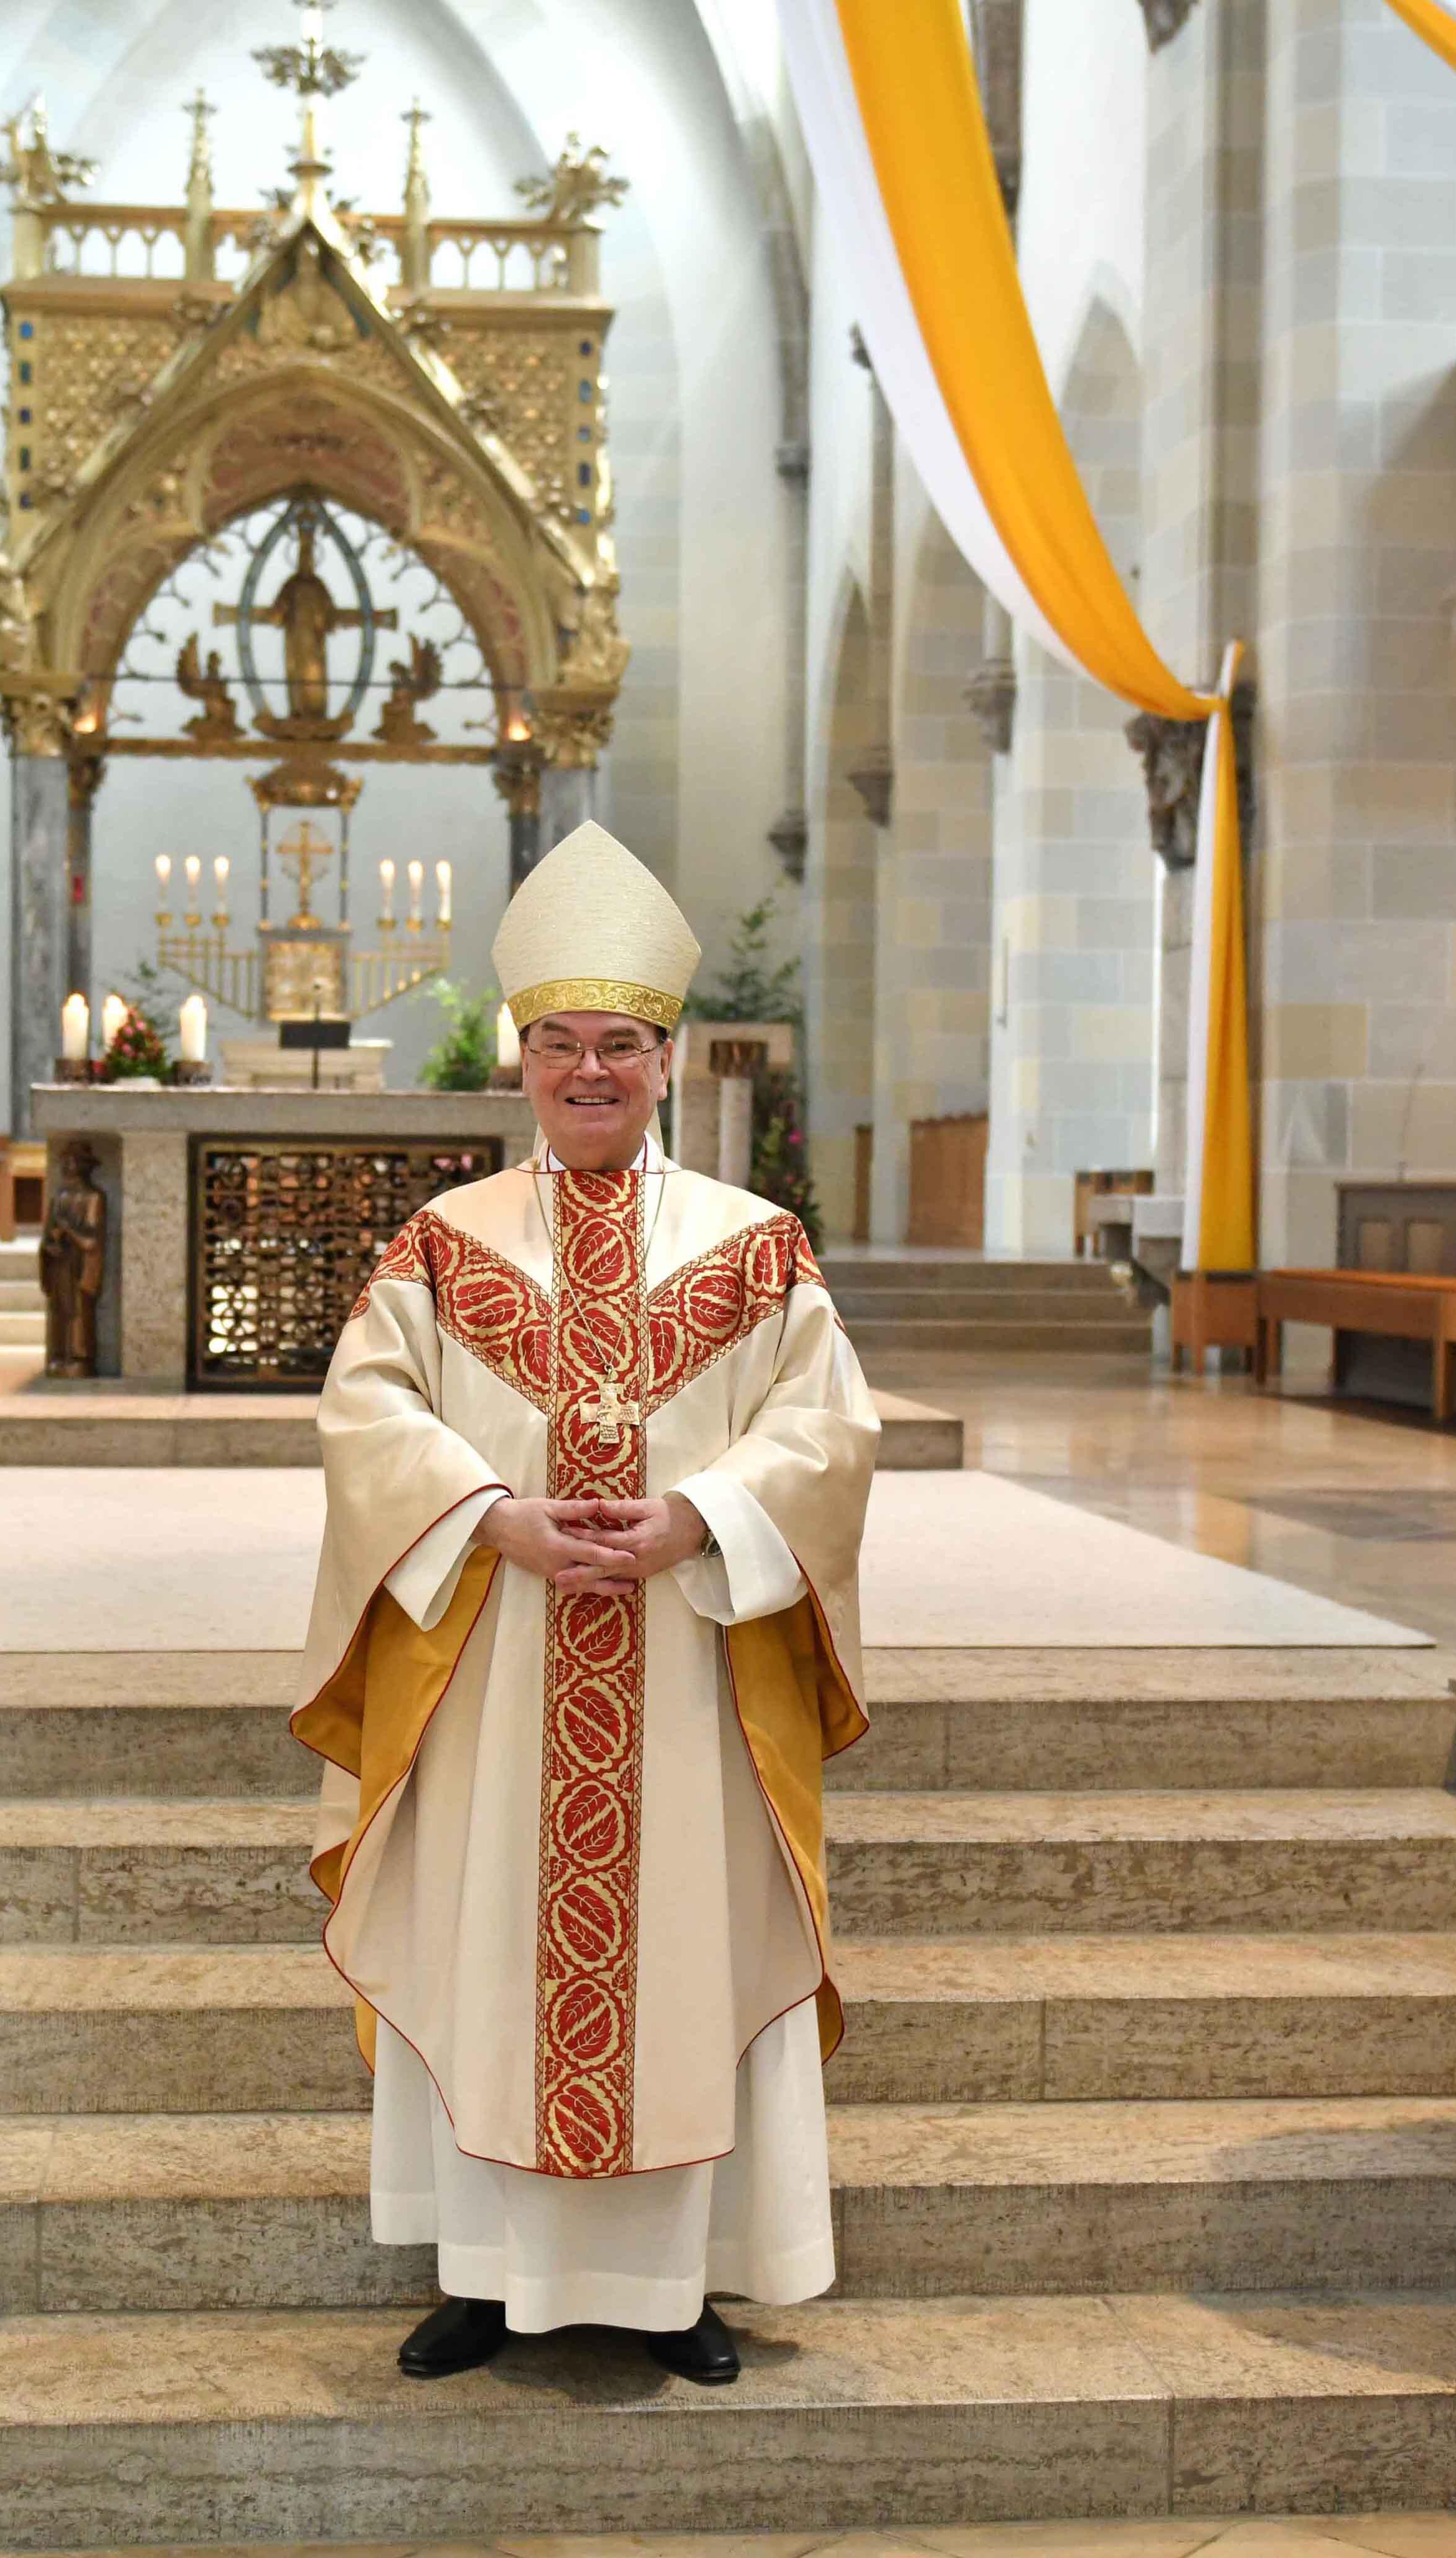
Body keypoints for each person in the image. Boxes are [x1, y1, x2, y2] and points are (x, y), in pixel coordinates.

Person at [294, 821, 876, 2385]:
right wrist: (492, 1519)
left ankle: (673, 2282)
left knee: (686, 1957)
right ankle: (488, 2275)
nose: (589, 1071)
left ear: (667, 1060)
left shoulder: (755, 1251)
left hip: (688, 1672)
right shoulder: (446, 1241)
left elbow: (828, 1431)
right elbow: (367, 1410)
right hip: (499, 1669)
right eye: (560, 1045)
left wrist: (700, 1515)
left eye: (619, 1045)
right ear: (523, 1058)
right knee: (491, 1952)